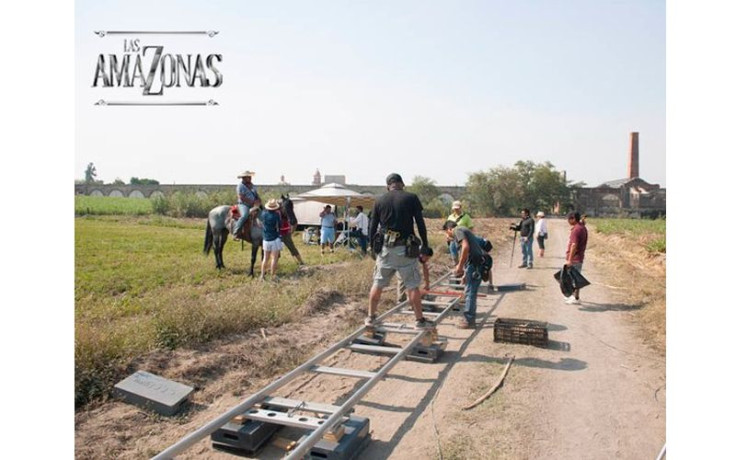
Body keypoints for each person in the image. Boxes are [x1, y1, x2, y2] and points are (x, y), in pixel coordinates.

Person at [365, 173, 433, 330]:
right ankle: (419, 320)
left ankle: (370, 317)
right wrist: (425, 244)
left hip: (386, 250)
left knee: (378, 283)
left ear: (388, 186)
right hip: (406, 250)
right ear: (402, 184)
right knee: (412, 286)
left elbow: (372, 226)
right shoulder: (411, 198)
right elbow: (420, 223)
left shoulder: (379, 200)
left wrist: (371, 246)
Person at [443, 220, 484, 329]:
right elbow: (467, 251)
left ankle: (469, 320)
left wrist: (460, 267)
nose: (448, 235)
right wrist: (465, 273)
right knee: (471, 291)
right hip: (475, 263)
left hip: (474, 264)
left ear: (449, 229)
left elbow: (466, 247)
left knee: (470, 291)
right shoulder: (463, 231)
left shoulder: (458, 230)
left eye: (447, 233)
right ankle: (470, 318)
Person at [564, 211, 588, 304]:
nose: (568, 221)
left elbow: (574, 245)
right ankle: (574, 296)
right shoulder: (581, 227)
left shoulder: (577, 229)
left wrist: (570, 259)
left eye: (569, 219)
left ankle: (575, 298)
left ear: (573, 219)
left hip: (575, 258)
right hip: (579, 257)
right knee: (574, 277)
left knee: (574, 278)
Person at [259, 199, 282, 281]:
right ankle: (273, 276)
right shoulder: (276, 215)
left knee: (265, 258)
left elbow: (260, 222)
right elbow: (280, 225)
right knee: (274, 258)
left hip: (265, 239)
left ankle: (262, 275)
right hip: (274, 239)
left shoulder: (263, 214)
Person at [233, 171, 259, 241]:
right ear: (244, 178)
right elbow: (241, 197)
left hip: (253, 204)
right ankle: (236, 232)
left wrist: (259, 200)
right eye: (249, 177)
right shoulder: (240, 186)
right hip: (243, 204)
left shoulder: (252, 185)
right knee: (244, 215)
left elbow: (256, 195)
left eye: (250, 177)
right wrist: (251, 202)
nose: (250, 178)